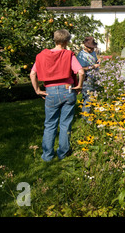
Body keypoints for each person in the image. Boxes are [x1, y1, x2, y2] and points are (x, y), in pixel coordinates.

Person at [30, 29, 85, 162]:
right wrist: (80, 86)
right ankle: (63, 153)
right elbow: (81, 72)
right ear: (66, 41)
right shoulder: (68, 54)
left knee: (50, 124)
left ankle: (48, 156)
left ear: (55, 40)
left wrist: (37, 90)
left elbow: (32, 74)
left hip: (50, 91)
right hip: (67, 90)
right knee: (65, 123)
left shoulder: (41, 56)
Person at [76, 36, 100, 114]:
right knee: (87, 98)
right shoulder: (81, 55)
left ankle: (92, 114)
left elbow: (95, 61)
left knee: (94, 97)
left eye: (93, 48)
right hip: (86, 79)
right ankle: (86, 118)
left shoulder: (92, 52)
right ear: (85, 46)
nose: (92, 49)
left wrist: (97, 61)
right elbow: (80, 69)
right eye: (90, 48)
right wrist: (93, 66)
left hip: (94, 77)